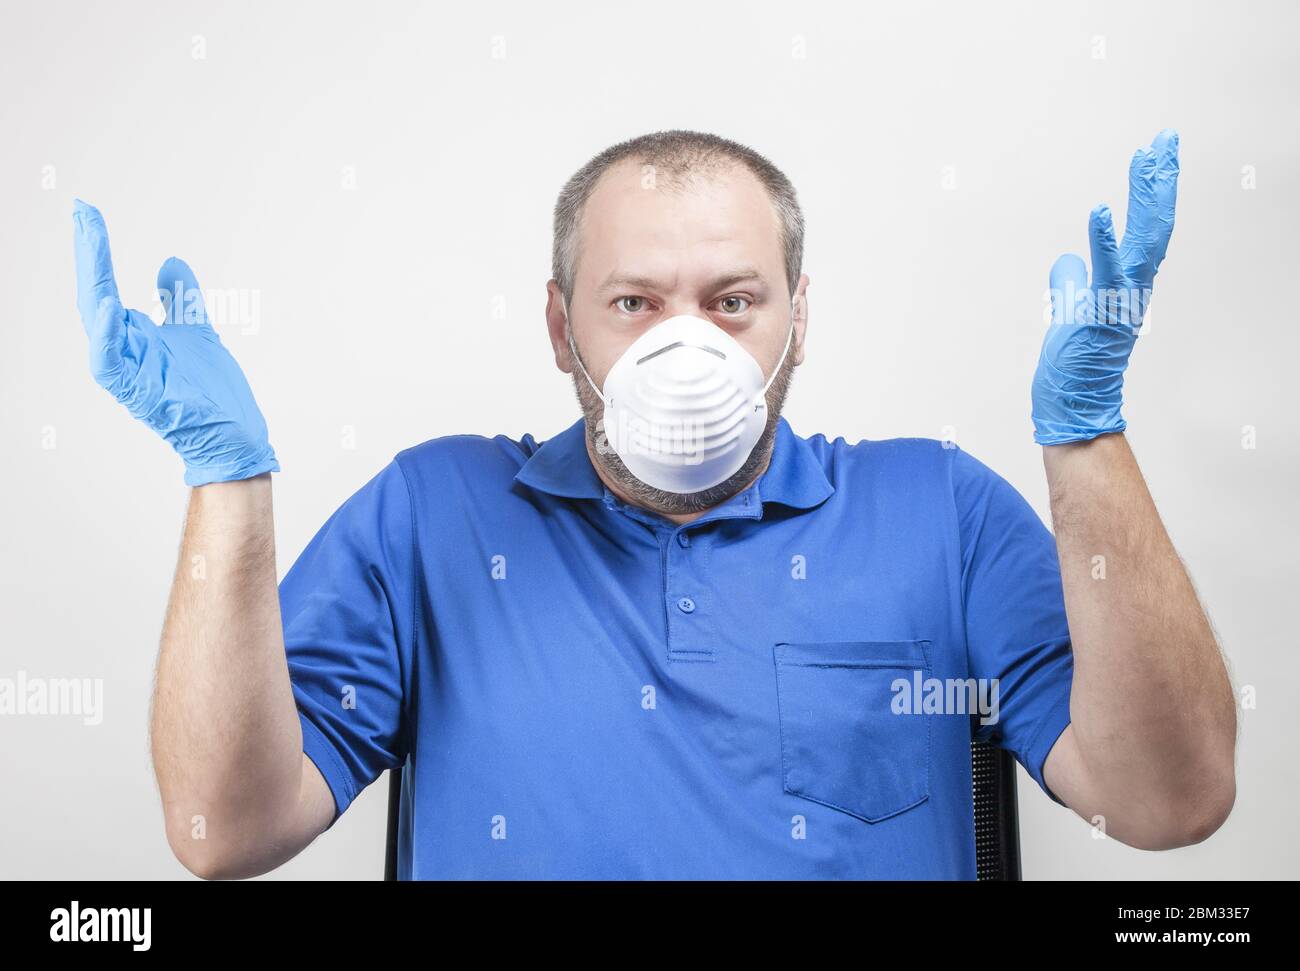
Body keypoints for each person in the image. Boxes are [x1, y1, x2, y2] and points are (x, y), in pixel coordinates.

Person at [72, 129, 1236, 880]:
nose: (687, 343)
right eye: (634, 301)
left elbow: (1168, 802)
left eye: (732, 300)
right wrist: (226, 482)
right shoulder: (437, 513)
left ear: (797, 317)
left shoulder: (938, 507)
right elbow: (223, 831)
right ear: (559, 324)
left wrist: (1086, 439)